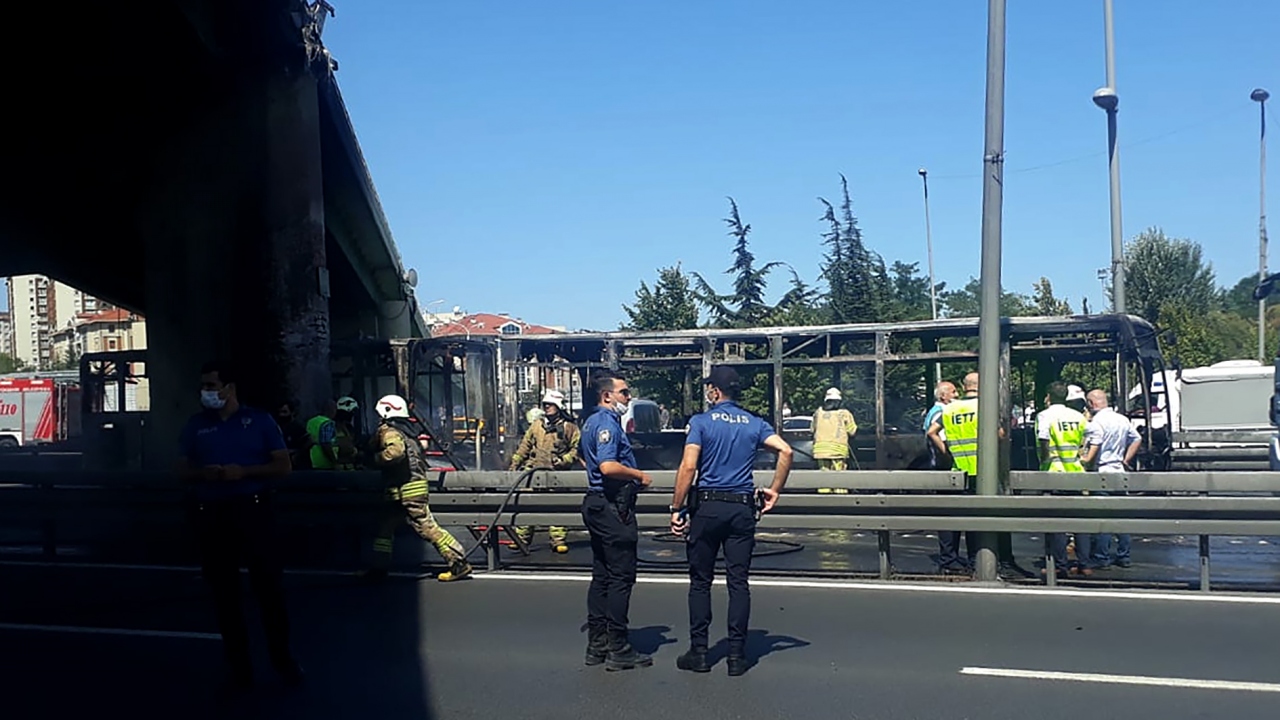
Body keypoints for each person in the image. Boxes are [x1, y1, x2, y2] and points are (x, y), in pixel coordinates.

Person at [177, 360, 303, 690]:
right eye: (203, 386)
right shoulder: (195, 425)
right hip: (213, 513)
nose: (206, 392)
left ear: (229, 389)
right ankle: (239, 669)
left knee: (269, 591)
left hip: (253, 511)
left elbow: (283, 465)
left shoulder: (259, 421)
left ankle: (282, 660)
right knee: (224, 595)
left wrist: (242, 472)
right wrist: (204, 474)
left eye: (211, 386)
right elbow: (180, 468)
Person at [670, 366, 793, 676]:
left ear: (714, 391)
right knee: (738, 583)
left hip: (708, 508)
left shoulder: (701, 422)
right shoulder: (754, 423)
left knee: (700, 583)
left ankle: (699, 653)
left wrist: (676, 506)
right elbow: (786, 451)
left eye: (708, 388)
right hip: (741, 509)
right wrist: (774, 490)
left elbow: (688, 467)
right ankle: (737, 657)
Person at [580, 371, 653, 671]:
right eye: (624, 393)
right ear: (607, 396)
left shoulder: (589, 422)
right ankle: (618, 646)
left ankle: (596, 644)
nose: (628, 398)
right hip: (613, 506)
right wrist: (639, 476)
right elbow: (608, 466)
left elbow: (585, 458)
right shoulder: (607, 423)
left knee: (602, 576)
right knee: (621, 577)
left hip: (596, 504)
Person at [365, 394, 473, 582]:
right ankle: (378, 568)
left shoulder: (391, 432)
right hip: (401, 490)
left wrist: (374, 460)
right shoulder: (408, 432)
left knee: (426, 527)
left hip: (407, 490)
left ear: (387, 411)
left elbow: (396, 453)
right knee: (384, 528)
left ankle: (458, 563)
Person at [510, 389, 581, 553]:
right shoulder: (537, 425)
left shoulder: (569, 427)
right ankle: (521, 539)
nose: (547, 407)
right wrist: (515, 462)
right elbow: (525, 446)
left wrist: (564, 461)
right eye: (545, 405)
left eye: (550, 405)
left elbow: (577, 450)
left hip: (557, 474)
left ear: (559, 406)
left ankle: (558, 540)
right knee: (527, 505)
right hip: (533, 472)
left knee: (557, 506)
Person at [1081, 388, 1142, 568]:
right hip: (1119, 472)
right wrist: (1125, 459)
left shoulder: (1096, 422)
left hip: (1102, 472)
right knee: (1121, 516)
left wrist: (1087, 463)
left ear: (1091, 404)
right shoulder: (1121, 419)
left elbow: (1095, 446)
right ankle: (1124, 555)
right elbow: (1137, 438)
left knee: (1103, 517)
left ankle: (1101, 556)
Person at [1038, 381, 1090, 577]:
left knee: (1056, 522)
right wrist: (1087, 458)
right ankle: (1084, 564)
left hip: (1053, 473)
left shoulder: (1045, 415)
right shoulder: (1077, 416)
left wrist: (1044, 457)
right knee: (1080, 521)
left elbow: (1043, 437)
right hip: (1076, 472)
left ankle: (1060, 565)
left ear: (1049, 397)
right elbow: (1096, 435)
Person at [812, 388, 857, 470]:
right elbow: (852, 431)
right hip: (838, 450)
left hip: (820, 450)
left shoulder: (817, 413)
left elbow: (812, 429)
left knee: (824, 475)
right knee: (838, 476)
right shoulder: (844, 414)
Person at [922, 381, 957, 470]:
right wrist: (948, 456)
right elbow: (940, 438)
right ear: (943, 396)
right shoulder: (941, 412)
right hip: (943, 464)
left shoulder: (933, 411)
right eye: (953, 392)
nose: (957, 395)